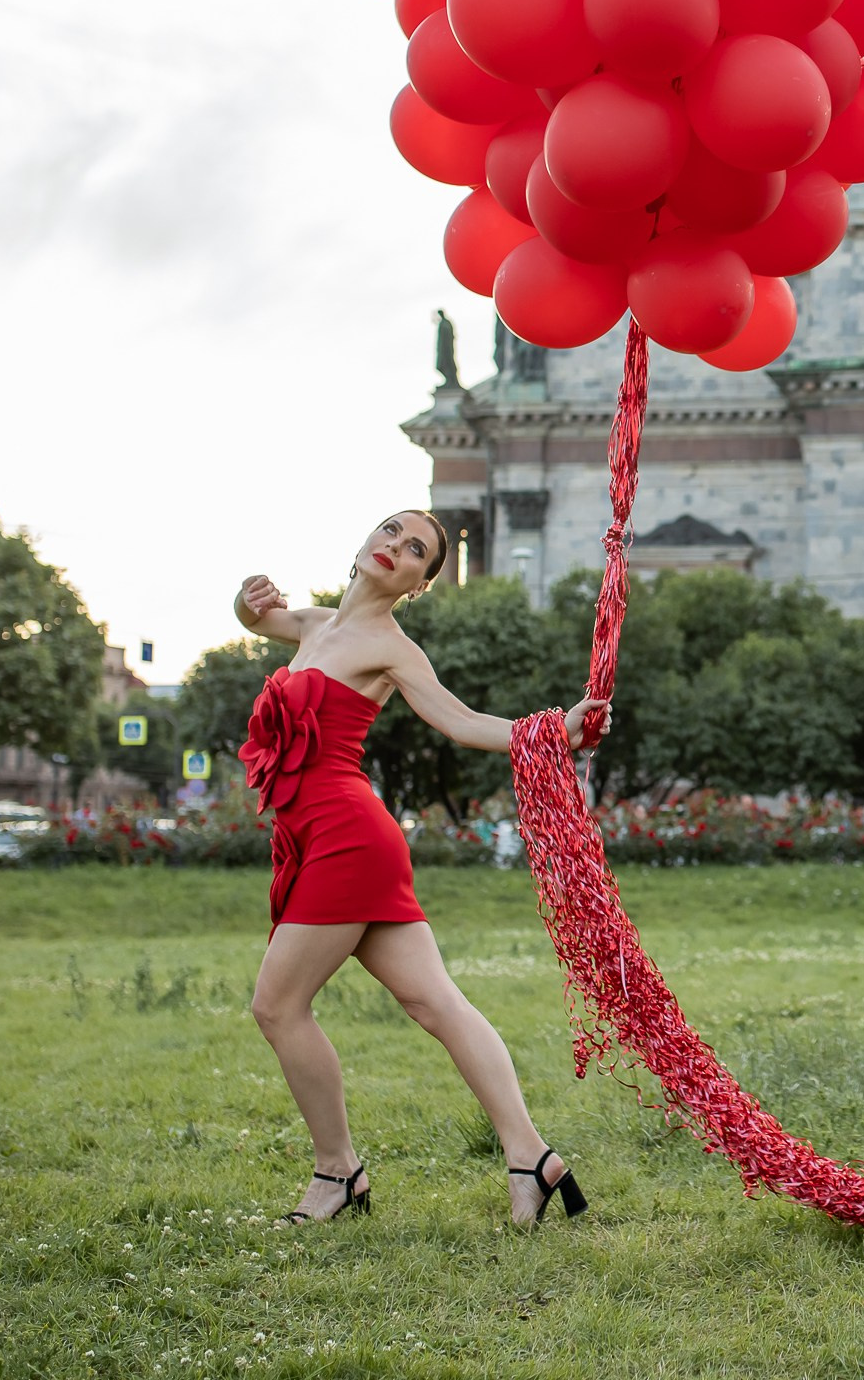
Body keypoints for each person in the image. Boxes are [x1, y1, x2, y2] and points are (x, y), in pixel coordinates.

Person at [234, 511, 612, 1228]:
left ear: (419, 583)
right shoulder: (315, 626)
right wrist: (245, 599)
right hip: (317, 835)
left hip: (348, 837)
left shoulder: (390, 646)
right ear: (362, 543)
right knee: (436, 1003)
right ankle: (532, 1158)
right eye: (391, 531)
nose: (395, 548)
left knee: (277, 1006)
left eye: (416, 551)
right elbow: (262, 620)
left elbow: (461, 721)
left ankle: (338, 1174)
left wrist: (553, 729)